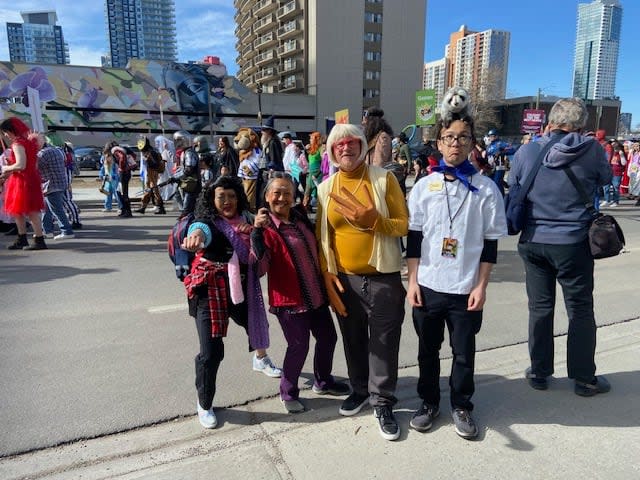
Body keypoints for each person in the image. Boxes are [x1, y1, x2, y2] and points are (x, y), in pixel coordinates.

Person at [406, 100, 507, 440]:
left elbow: (490, 243)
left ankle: (462, 404)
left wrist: (482, 286)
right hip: (429, 285)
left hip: (466, 289)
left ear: (472, 143)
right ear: (439, 143)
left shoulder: (487, 190)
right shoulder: (423, 187)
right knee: (427, 351)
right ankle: (429, 403)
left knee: (464, 353)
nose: (456, 143)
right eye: (449, 137)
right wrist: (413, 281)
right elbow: (415, 238)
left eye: (464, 137)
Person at [508, 97, 612, 397]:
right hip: (573, 242)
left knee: (540, 308)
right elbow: (605, 180)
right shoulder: (592, 149)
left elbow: (514, 185)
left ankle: (539, 372)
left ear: (550, 123)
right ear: (581, 125)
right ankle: (583, 379)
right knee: (580, 310)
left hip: (533, 240)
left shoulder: (528, 150)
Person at [316, 123, 408, 441]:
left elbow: (404, 225)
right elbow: (323, 238)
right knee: (353, 340)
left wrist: (377, 222)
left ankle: (382, 401)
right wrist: (328, 275)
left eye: (351, 142)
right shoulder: (325, 188)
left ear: (362, 146)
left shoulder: (384, 180)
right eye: (338, 144)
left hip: (383, 278)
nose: (345, 148)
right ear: (331, 151)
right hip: (345, 280)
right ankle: (359, 390)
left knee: (383, 344)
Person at [180, 176, 282, 428]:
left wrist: (258, 227)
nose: (227, 202)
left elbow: (259, 250)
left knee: (255, 324)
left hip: (241, 287)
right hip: (210, 290)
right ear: (212, 200)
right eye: (221, 197)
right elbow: (199, 232)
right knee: (211, 352)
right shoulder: (206, 222)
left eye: (232, 196)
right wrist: (194, 238)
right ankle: (204, 404)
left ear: (239, 197)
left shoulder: (247, 219)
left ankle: (260, 358)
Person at [252, 173, 350, 413]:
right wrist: (256, 234)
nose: (282, 197)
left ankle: (323, 381)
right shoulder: (265, 230)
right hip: (289, 301)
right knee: (298, 346)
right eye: (276, 192)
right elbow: (259, 268)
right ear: (267, 196)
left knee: (328, 338)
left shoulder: (299, 218)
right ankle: (288, 392)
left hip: (315, 296)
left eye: (287, 192)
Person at [0, 117, 47, 250]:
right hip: (29, 178)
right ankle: (29, 239)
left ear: (11, 130)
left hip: (22, 181)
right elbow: (31, 164)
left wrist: (6, 168)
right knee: (24, 211)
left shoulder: (17, 144)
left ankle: (34, 240)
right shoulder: (28, 143)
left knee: (24, 211)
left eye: (5, 132)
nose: (5, 135)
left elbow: (21, 165)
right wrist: (8, 172)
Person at [34, 133, 75, 240]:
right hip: (60, 183)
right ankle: (47, 230)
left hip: (50, 185)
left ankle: (66, 231)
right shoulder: (57, 150)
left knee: (56, 210)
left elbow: (34, 168)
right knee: (47, 209)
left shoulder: (42, 154)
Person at [257, 117, 284, 208]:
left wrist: (272, 170)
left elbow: (274, 158)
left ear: (269, 131)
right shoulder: (269, 142)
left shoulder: (273, 143)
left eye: (264, 130)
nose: (262, 132)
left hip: (274, 172)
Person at [174, 130, 201, 216]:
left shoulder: (189, 153)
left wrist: (178, 177)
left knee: (187, 208)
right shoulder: (185, 152)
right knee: (177, 194)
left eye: (178, 140)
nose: (177, 142)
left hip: (192, 184)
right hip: (187, 182)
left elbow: (189, 169)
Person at [136, 137, 166, 214]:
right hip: (151, 172)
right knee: (148, 190)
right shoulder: (152, 150)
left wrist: (147, 159)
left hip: (152, 172)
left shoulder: (150, 152)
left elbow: (154, 164)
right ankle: (143, 208)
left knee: (154, 190)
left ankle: (161, 208)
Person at [485, 129, 515, 196]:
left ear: (496, 136)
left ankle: (502, 198)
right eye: (489, 136)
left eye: (492, 136)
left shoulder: (500, 143)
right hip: (491, 167)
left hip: (499, 166)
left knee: (497, 183)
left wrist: (502, 152)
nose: (490, 137)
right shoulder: (489, 146)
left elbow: (512, 149)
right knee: (491, 183)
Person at [111, 146, 133, 218]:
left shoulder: (115, 150)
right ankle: (124, 209)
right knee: (119, 192)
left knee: (123, 193)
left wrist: (121, 167)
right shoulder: (119, 150)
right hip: (125, 173)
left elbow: (122, 157)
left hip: (123, 174)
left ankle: (127, 211)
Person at [99, 142, 121, 213]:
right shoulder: (104, 158)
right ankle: (108, 207)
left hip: (114, 179)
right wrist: (101, 175)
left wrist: (115, 176)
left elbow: (117, 170)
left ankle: (120, 207)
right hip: (107, 179)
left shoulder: (115, 160)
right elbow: (103, 168)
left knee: (117, 193)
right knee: (108, 193)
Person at [303, 131, 323, 209]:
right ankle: (305, 210)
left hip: (318, 174)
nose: (310, 140)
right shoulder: (311, 149)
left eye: (311, 138)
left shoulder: (320, 149)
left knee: (317, 193)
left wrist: (317, 174)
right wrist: (305, 149)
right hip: (311, 173)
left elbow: (323, 164)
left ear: (315, 139)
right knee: (307, 192)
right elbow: (308, 159)